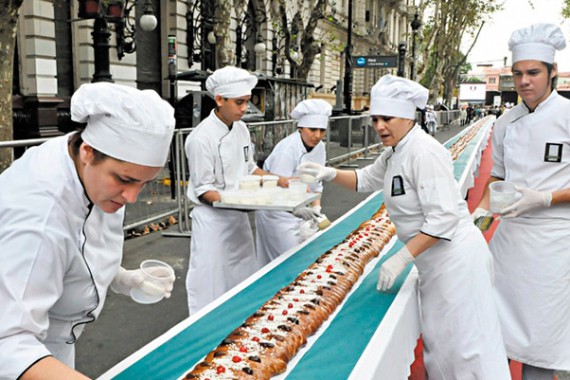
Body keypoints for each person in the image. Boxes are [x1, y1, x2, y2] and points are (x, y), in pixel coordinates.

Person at [298, 75, 510, 379]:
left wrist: (402, 256)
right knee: (444, 348)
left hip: (456, 262)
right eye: (375, 119)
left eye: (387, 118)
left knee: (468, 351)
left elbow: (443, 218)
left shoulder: (423, 151)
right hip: (434, 263)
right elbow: (366, 179)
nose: (380, 126)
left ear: (408, 117)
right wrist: (329, 172)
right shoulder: (396, 150)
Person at [0, 82, 176, 379]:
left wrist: (122, 278)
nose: (131, 198)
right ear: (88, 152)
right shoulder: (38, 218)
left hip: (54, 348)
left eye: (144, 183)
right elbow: (8, 343)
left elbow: (78, 246)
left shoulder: (83, 166)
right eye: (125, 179)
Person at [473, 23, 570, 380]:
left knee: (541, 342)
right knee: (494, 330)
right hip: (510, 241)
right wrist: (479, 219)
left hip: (556, 242)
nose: (525, 81)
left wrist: (545, 197)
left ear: (552, 72)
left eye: (533, 72)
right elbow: (497, 176)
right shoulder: (506, 123)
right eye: (518, 74)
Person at [184, 66, 286, 315]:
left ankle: (240, 324)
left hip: (238, 220)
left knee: (241, 276)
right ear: (219, 100)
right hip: (213, 223)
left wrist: (278, 181)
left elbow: (250, 167)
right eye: (239, 102)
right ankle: (205, 334)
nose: (244, 109)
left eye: (247, 102)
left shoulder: (240, 129)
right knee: (210, 283)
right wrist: (240, 201)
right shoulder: (201, 139)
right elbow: (204, 190)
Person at [255, 99, 332, 268]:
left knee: (301, 260)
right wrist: (295, 210)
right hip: (276, 213)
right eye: (312, 129)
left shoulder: (320, 148)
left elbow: (317, 181)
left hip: (301, 209)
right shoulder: (288, 149)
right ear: (300, 128)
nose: (317, 135)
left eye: (322, 130)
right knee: (285, 263)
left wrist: (316, 207)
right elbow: (276, 184)